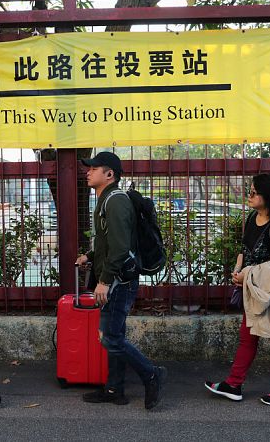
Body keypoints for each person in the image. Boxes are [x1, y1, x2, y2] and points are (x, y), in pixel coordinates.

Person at [75, 151, 167, 410]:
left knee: (110, 337)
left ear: (109, 174)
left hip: (118, 281)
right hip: (118, 278)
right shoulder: (107, 199)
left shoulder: (114, 201)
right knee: (115, 333)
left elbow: (120, 247)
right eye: (89, 168)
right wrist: (90, 255)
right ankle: (115, 388)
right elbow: (111, 242)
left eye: (94, 168)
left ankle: (152, 374)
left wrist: (104, 280)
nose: (88, 172)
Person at [205, 173, 270, 406]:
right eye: (250, 190)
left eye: (254, 192)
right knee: (247, 339)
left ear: (268, 196)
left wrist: (247, 275)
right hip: (254, 291)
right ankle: (233, 384)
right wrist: (239, 270)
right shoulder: (252, 218)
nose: (249, 195)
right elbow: (245, 249)